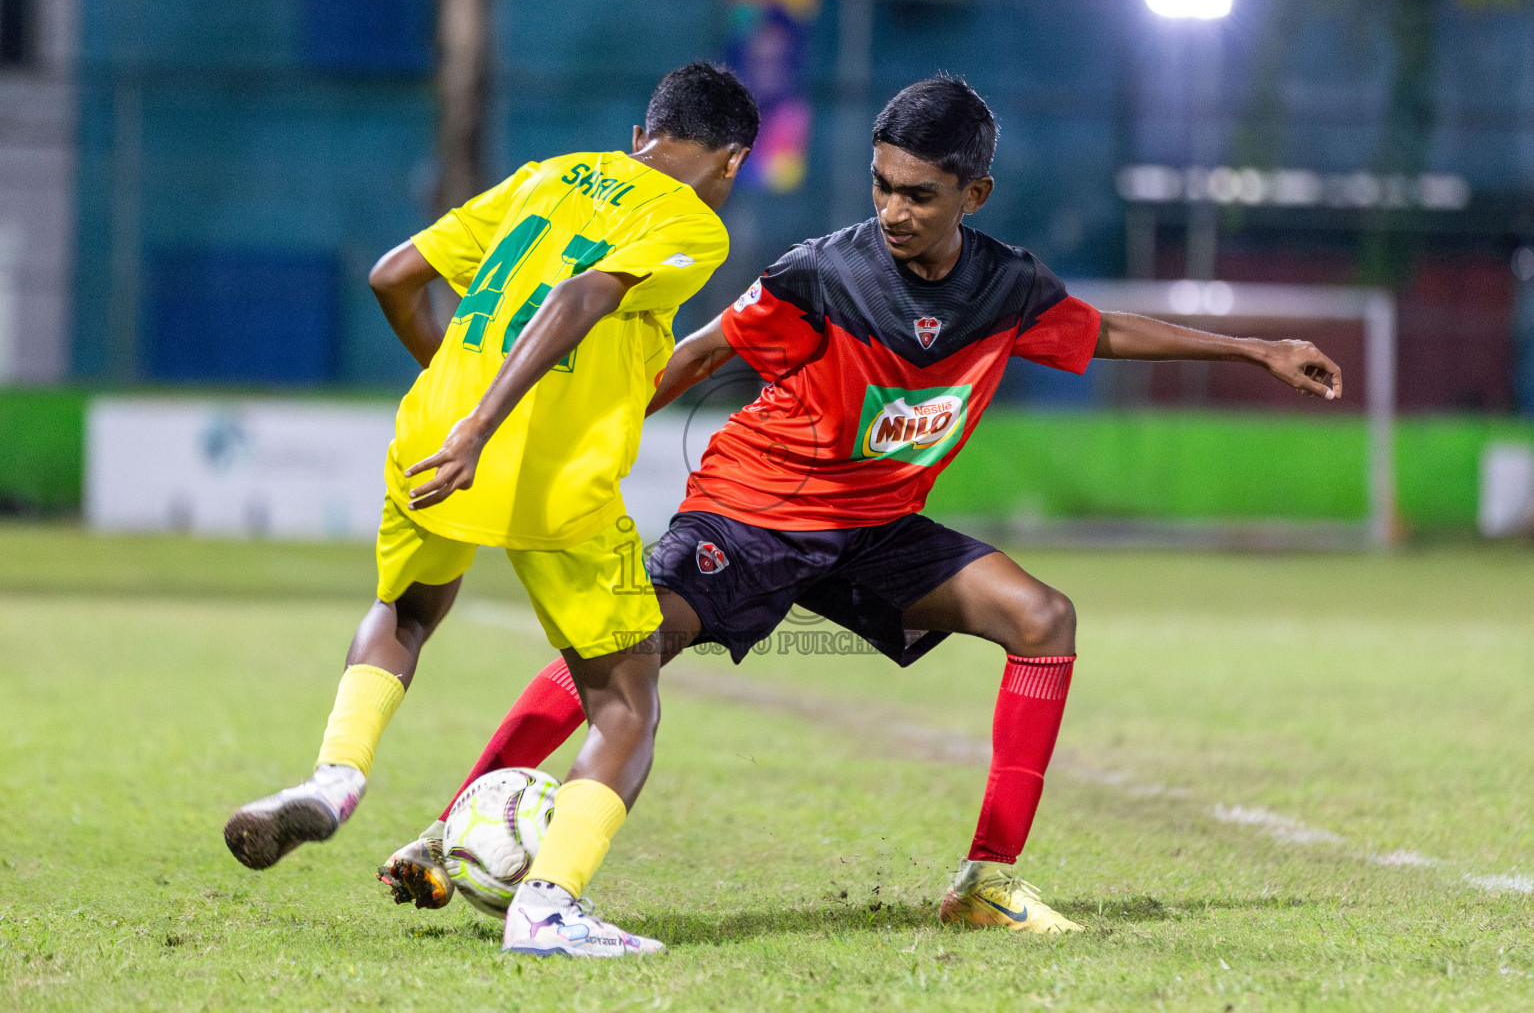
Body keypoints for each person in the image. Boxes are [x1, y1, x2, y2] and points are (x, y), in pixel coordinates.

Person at [380, 75, 1343, 943]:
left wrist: (1256, 349)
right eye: (881, 185)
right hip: (753, 512)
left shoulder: (1006, 287)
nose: (893, 209)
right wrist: (580, 425)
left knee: (1042, 618)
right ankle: (445, 832)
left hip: (874, 529)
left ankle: (985, 883)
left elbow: (1103, 331)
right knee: (625, 649)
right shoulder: (821, 275)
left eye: (919, 194)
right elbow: (709, 349)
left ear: (974, 196)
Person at [222, 61, 759, 958]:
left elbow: (394, 277)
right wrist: (483, 425)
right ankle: (547, 907)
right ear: (732, 159)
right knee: (626, 700)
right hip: (544, 472)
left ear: (642, 133)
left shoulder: (545, 177)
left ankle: (335, 777)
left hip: (429, 441)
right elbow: (583, 296)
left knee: (406, 611)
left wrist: (453, 395)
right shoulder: (690, 224)